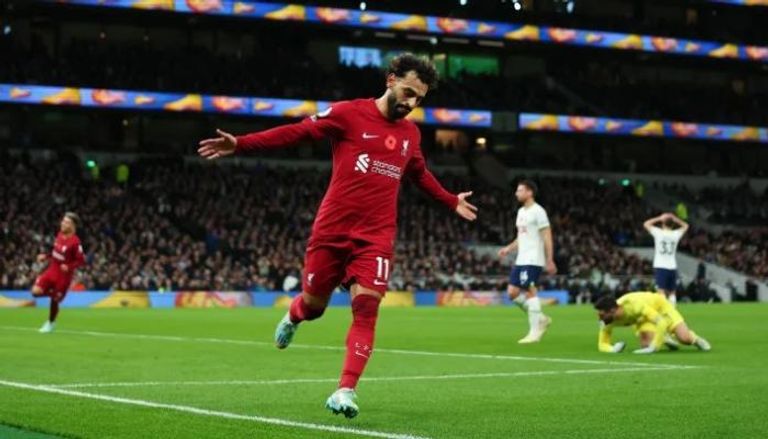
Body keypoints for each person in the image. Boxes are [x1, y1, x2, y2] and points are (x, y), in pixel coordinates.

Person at [197, 53, 478, 418]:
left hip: (376, 236)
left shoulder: (411, 134)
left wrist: (449, 199)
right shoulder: (348, 114)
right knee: (314, 307)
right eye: (408, 92)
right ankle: (294, 316)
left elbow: (419, 173)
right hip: (333, 230)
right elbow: (298, 131)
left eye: (419, 99)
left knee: (367, 309)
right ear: (391, 80)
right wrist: (242, 144)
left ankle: (345, 390)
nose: (411, 103)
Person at [497, 180, 556, 344]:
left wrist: (550, 259)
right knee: (512, 292)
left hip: (533, 258)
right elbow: (521, 236)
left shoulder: (539, 211)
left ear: (530, 192)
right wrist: (509, 248)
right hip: (521, 258)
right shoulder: (521, 212)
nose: (517, 193)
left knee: (530, 291)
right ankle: (541, 318)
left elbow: (547, 236)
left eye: (520, 190)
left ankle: (534, 333)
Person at [593, 292, 711, 354]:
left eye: (602, 315)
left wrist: (655, 347)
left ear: (612, 310)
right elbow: (602, 344)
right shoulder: (607, 321)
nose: (599, 318)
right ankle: (663, 337)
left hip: (660, 307)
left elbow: (661, 322)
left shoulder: (634, 305)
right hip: (643, 318)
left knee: (684, 339)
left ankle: (695, 339)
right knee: (645, 345)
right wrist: (613, 349)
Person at [31, 212, 86, 333]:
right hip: (52, 270)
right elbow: (56, 251)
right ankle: (54, 295)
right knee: (35, 292)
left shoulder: (75, 242)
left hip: (63, 277)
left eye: (66, 222)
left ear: (73, 226)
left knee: (55, 301)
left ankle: (51, 323)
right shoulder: (60, 235)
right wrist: (46, 256)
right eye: (63, 221)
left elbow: (81, 260)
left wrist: (69, 266)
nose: (62, 224)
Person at [643, 212, 688, 306]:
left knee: (661, 291)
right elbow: (686, 226)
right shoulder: (676, 234)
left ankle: (664, 310)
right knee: (672, 292)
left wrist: (659, 218)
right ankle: (673, 310)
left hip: (661, 266)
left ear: (663, 223)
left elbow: (646, 224)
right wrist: (675, 219)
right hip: (672, 266)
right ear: (673, 224)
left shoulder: (658, 233)